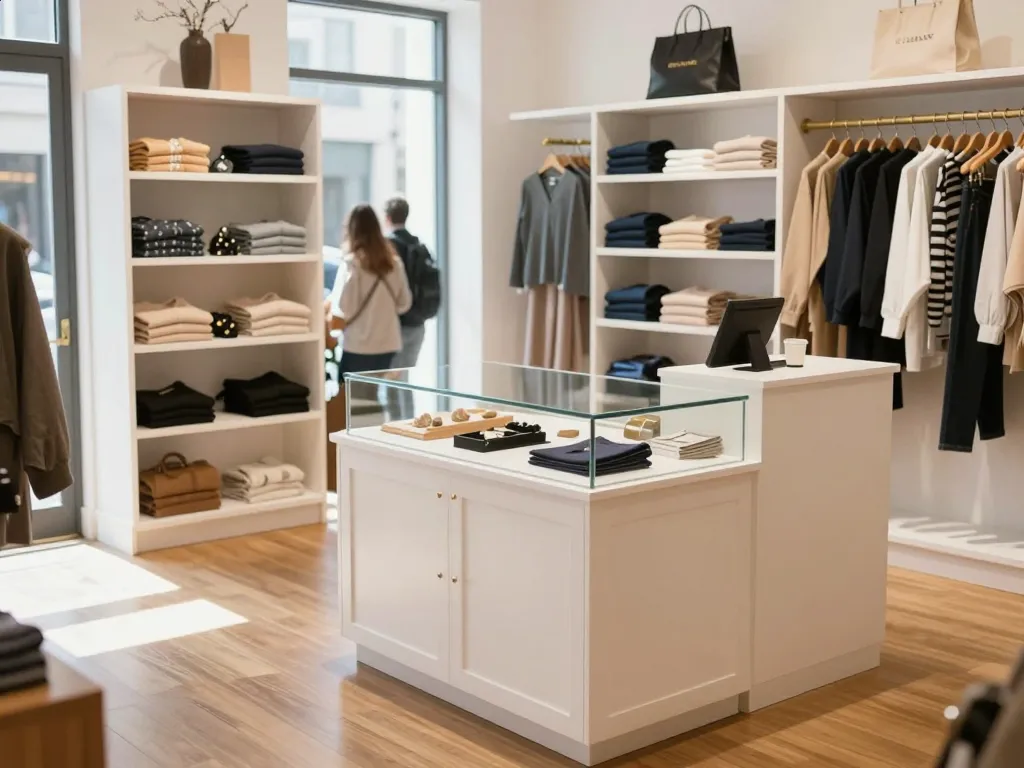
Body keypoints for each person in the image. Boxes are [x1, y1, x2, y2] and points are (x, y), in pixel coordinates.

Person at [330, 204, 412, 379]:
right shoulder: (394, 263)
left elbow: (344, 307)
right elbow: (405, 304)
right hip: (387, 343)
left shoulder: (352, 264)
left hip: (358, 344)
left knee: (352, 400)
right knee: (373, 398)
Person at [384, 196, 441, 417]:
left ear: (387, 218)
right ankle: (408, 423)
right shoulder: (419, 245)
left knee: (390, 381)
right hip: (418, 323)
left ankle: (394, 427)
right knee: (405, 379)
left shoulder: (388, 248)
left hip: (395, 324)